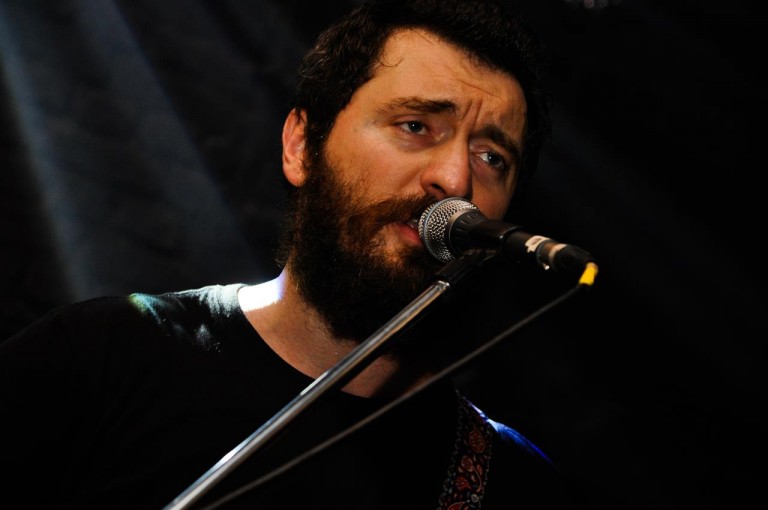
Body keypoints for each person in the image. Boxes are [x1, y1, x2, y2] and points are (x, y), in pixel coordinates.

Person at [0, 0, 592, 508]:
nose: (456, 178)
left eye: (492, 158)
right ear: (302, 146)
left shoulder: (511, 482)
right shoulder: (102, 354)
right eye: (416, 125)